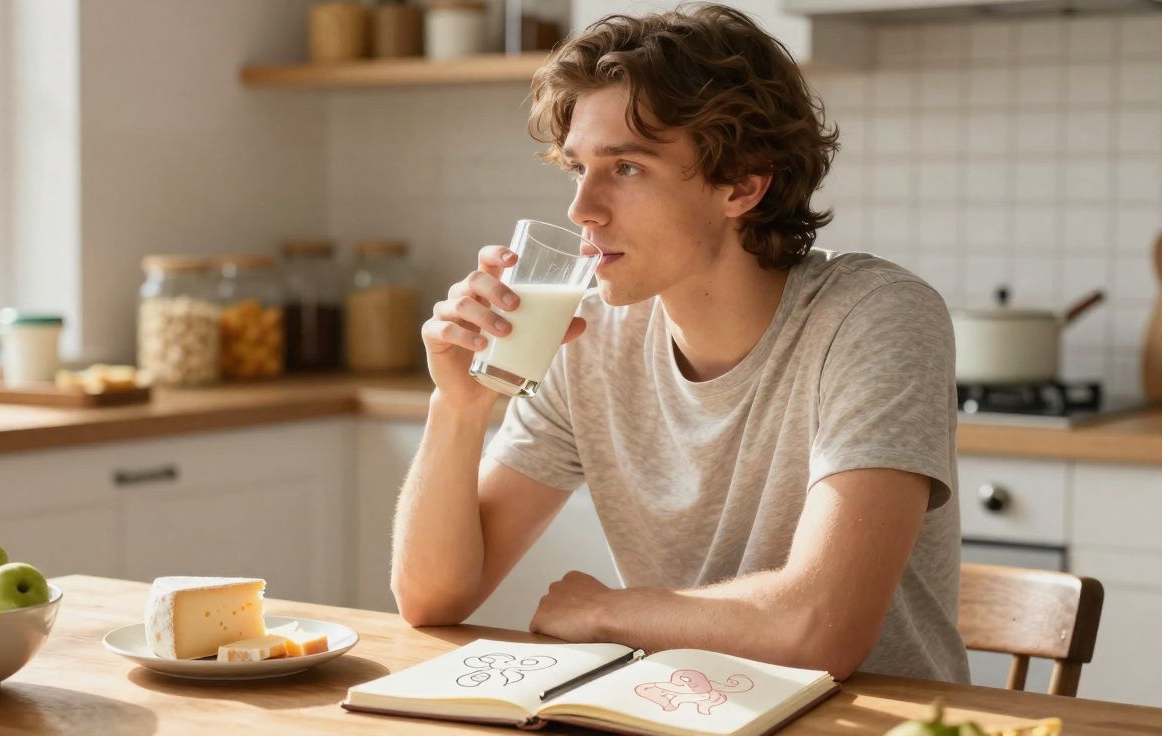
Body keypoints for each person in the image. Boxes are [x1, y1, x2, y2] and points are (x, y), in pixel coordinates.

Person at [389, 3, 968, 683]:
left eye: (626, 168)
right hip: (684, 713)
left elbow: (819, 629)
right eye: (578, 168)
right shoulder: (588, 338)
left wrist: (609, 612)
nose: (582, 210)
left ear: (744, 184)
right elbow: (431, 597)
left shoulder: (875, 317)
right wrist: (457, 404)